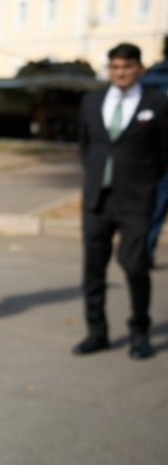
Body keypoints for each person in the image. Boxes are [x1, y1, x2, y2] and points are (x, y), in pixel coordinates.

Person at [73, 42, 168, 360]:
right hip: (97, 200)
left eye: (127, 67)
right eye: (114, 67)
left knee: (135, 266)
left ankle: (139, 331)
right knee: (93, 271)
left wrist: (145, 181)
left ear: (139, 68)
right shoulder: (92, 101)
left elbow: (163, 154)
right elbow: (86, 146)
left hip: (135, 201)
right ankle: (96, 332)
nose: (120, 73)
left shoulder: (157, 103)